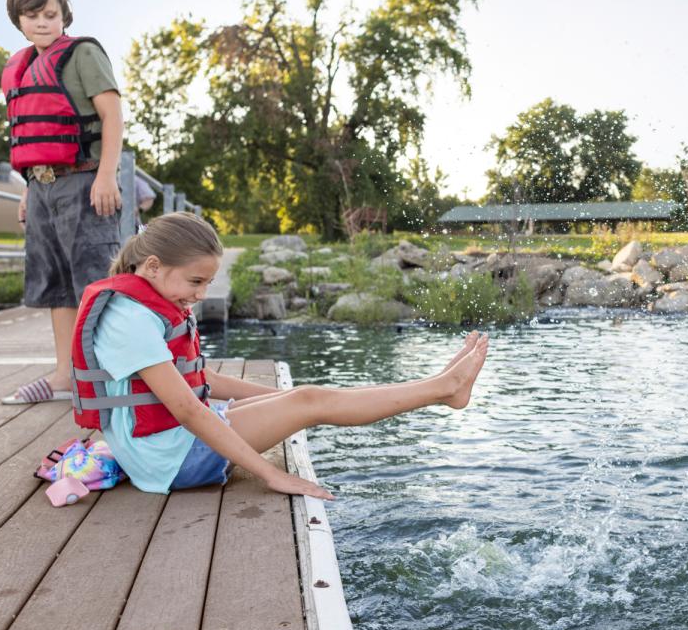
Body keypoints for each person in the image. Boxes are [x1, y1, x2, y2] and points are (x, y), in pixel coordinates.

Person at [71, 212, 490, 496]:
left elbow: (205, 382)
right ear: (152, 266)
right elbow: (187, 410)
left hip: (168, 447)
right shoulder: (131, 319)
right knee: (311, 401)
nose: (200, 296)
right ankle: (443, 389)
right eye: (196, 282)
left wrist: (275, 401)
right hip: (171, 460)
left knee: (302, 396)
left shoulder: (142, 302)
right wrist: (269, 474)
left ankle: (438, 386)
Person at [1, 0, 124, 404]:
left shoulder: (83, 54)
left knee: (96, 280)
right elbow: (29, 138)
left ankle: (111, 377)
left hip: (85, 180)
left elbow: (112, 116)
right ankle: (64, 374)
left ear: (63, 14)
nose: (42, 23)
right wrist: (27, 190)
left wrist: (107, 174)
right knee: (56, 285)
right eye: (32, 16)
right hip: (42, 187)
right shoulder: (19, 66)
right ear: (19, 20)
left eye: (50, 15)